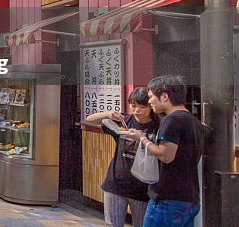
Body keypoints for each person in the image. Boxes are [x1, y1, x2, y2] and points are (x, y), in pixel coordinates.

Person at [122, 75, 203, 227]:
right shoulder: (193, 120)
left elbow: (165, 155)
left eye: (151, 96)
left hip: (168, 197)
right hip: (189, 196)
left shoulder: (172, 120)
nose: (150, 101)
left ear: (164, 96)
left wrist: (141, 139)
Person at [85, 87, 159, 227]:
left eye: (142, 107)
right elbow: (89, 120)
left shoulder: (157, 126)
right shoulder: (125, 120)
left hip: (142, 188)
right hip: (116, 184)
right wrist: (108, 114)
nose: (137, 110)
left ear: (150, 107)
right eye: (133, 105)